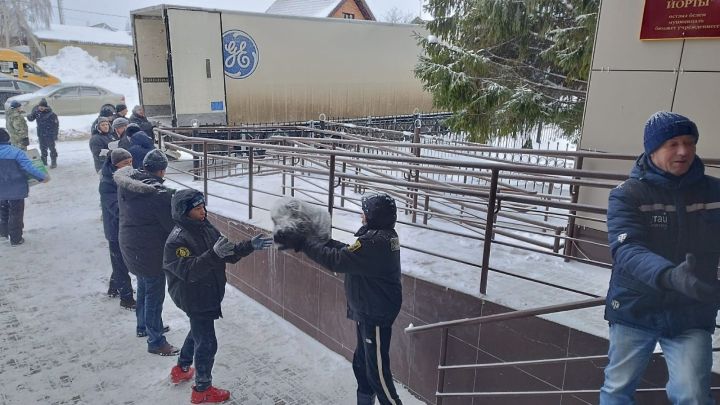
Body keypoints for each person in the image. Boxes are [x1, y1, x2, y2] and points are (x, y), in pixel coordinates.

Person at [600, 111, 720, 404]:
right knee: (618, 389)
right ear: (652, 149)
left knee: (693, 394)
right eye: (673, 143)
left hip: (692, 309)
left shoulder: (715, 191)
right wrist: (669, 275)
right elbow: (626, 249)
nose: (684, 151)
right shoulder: (627, 194)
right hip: (635, 305)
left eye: (690, 142)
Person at [276, 193, 404, 405]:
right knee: (362, 366)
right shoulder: (380, 237)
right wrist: (320, 240)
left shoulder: (375, 242)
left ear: (373, 215)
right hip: (368, 311)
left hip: (375, 316)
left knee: (379, 375)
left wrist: (304, 243)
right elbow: (348, 251)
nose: (361, 214)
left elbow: (337, 260)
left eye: (364, 211)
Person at [163, 189, 273, 403]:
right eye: (197, 209)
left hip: (208, 292)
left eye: (203, 206)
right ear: (184, 212)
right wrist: (214, 254)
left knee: (198, 331)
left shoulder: (205, 227)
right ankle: (202, 389)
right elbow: (189, 271)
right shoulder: (176, 241)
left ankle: (182, 367)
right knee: (207, 342)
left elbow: (228, 251)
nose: (203, 211)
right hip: (194, 296)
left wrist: (249, 245)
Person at [115, 149, 178, 355]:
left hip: (131, 246)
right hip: (149, 251)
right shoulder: (157, 194)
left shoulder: (130, 186)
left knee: (143, 287)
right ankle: (156, 340)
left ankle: (144, 326)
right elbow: (171, 225)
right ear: (162, 171)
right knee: (153, 296)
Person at [99, 148, 136, 309]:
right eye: (125, 163)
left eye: (131, 162)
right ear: (115, 165)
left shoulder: (130, 176)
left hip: (126, 228)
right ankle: (126, 299)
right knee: (120, 264)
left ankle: (114, 287)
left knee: (119, 262)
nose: (129, 166)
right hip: (116, 230)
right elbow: (116, 209)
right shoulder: (107, 183)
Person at [0, 128, 49, 245]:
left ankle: (3, 233)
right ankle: (16, 238)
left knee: (2, 209)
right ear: (7, 138)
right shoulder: (16, 152)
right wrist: (43, 177)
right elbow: (29, 168)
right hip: (16, 188)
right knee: (16, 212)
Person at [26, 98, 59, 168]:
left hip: (50, 134)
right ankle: (44, 161)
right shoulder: (37, 112)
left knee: (52, 148)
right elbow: (31, 119)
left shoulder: (52, 114)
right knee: (42, 148)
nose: (41, 108)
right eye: (40, 106)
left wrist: (55, 135)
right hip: (41, 134)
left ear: (46, 107)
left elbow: (56, 126)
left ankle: (54, 162)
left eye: (43, 106)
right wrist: (29, 115)